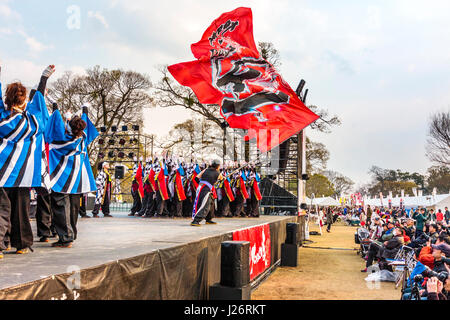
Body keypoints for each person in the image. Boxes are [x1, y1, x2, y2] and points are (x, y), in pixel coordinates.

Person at [0, 64, 54, 257]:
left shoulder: (2, 118)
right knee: (21, 211)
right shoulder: (33, 121)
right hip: (23, 174)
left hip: (2, 171)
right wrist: (43, 80)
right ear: (24, 102)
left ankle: (1, 244)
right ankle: (22, 244)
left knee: (1, 210)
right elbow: (38, 103)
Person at [45, 102, 98, 247]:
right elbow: (84, 123)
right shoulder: (83, 138)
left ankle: (66, 238)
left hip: (62, 179)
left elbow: (55, 127)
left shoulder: (62, 140)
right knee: (73, 209)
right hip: (77, 179)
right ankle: (72, 233)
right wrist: (85, 109)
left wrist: (56, 108)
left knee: (61, 208)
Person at [191, 160, 224, 226]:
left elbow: (196, 178)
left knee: (211, 202)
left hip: (201, 187)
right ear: (217, 166)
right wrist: (223, 179)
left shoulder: (206, 170)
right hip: (205, 189)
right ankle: (196, 220)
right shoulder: (217, 173)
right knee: (205, 204)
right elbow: (221, 179)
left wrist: (203, 183)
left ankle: (209, 219)